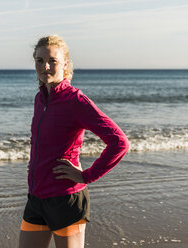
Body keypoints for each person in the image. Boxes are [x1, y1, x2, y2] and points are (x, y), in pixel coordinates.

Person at [18, 35, 130, 248]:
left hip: (65, 199)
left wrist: (87, 175)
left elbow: (119, 142)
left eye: (53, 61)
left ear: (65, 64)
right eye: (40, 61)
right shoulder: (40, 98)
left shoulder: (75, 100)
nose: (45, 67)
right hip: (36, 199)